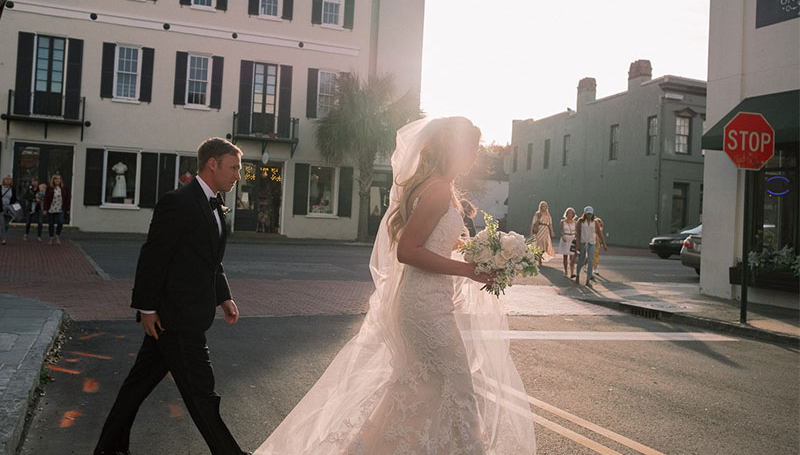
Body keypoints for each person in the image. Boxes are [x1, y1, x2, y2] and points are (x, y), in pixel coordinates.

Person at [254, 117, 536, 454]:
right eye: (472, 150)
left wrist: (482, 252)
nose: (476, 158)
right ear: (454, 149)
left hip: (424, 301)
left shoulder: (431, 185)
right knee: (455, 383)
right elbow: (408, 250)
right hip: (426, 305)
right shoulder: (439, 190)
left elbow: (431, 241)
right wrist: (468, 270)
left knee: (421, 387)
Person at [94, 138, 250, 455]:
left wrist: (223, 295)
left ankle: (108, 448)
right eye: (233, 168)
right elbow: (154, 257)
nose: (237, 176)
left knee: (136, 386)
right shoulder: (177, 202)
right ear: (212, 165)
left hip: (185, 313)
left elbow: (208, 258)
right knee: (202, 392)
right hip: (177, 317)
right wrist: (147, 308)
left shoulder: (215, 204)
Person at [575, 206, 607, 285]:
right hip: (583, 242)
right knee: (581, 260)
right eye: (588, 214)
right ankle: (578, 275)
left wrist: (604, 243)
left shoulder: (595, 222)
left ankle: (588, 280)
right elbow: (578, 233)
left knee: (590, 261)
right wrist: (578, 244)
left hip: (592, 243)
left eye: (590, 214)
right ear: (585, 214)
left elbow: (599, 233)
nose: (589, 216)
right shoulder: (580, 221)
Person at [43, 174, 70, 245]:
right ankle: (51, 237)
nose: (57, 180)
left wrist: (68, 209)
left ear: (60, 180)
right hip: (51, 208)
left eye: (58, 179)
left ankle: (57, 235)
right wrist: (45, 209)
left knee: (60, 222)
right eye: (56, 179)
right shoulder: (49, 188)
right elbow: (46, 199)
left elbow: (67, 199)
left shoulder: (64, 188)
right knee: (51, 224)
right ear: (53, 180)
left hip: (60, 209)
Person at [556, 207, 578, 278]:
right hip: (565, 239)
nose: (570, 214)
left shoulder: (575, 222)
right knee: (565, 257)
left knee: (572, 257)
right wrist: (563, 236)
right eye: (568, 213)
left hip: (572, 239)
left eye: (571, 213)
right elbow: (562, 230)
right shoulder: (562, 221)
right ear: (566, 214)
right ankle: (565, 272)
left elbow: (577, 232)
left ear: (573, 214)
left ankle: (572, 272)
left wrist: (577, 239)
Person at [23, 177, 44, 241]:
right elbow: (25, 196)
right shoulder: (29, 188)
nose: (35, 182)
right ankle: (26, 234)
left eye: (36, 181)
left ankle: (39, 236)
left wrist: (40, 199)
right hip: (30, 207)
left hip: (38, 207)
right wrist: (34, 199)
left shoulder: (40, 188)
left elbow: (43, 195)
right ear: (32, 182)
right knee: (28, 222)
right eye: (33, 181)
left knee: (40, 222)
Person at [0, 175, 17, 245]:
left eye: (9, 179)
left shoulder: (12, 189)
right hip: (1, 208)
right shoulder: (0, 187)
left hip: (9, 209)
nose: (8, 181)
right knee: (2, 224)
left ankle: (2, 235)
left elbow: (14, 199)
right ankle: (3, 239)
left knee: (7, 225)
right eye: (6, 179)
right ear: (4, 180)